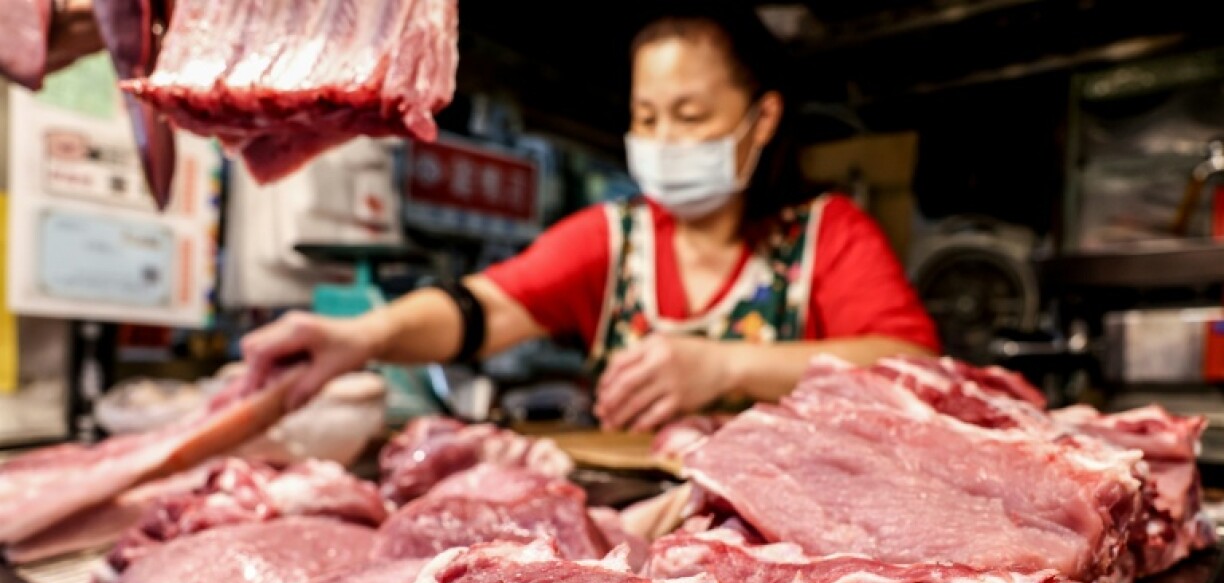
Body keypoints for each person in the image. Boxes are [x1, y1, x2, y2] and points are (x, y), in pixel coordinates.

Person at [242, 4, 940, 431]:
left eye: (691, 116)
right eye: (646, 117)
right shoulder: (616, 238)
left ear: (762, 120)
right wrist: (363, 336)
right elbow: (480, 310)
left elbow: (912, 366)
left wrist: (725, 363)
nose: (664, 137)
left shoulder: (826, 234)